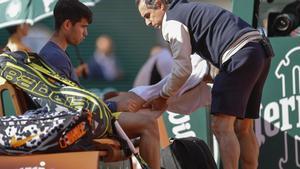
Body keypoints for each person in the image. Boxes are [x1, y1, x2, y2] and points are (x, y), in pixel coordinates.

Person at [135, 0, 274, 169]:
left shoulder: (172, 22)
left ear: (159, 4)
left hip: (238, 54)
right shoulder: (186, 10)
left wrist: (163, 96)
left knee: (221, 125)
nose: (147, 22)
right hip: (260, 52)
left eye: (148, 15)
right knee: (243, 127)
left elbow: (182, 70)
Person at [39, 0, 160, 168]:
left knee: (138, 108)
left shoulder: (55, 53)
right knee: (148, 124)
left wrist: (105, 100)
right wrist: (111, 106)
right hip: (76, 127)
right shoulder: (54, 57)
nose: (86, 33)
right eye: (83, 27)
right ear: (67, 24)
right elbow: (68, 108)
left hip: (80, 121)